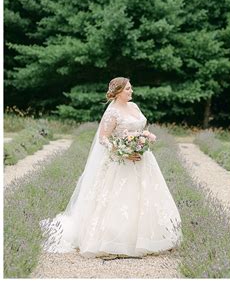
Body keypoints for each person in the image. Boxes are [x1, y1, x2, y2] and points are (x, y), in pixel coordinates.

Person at [41, 77, 181, 258]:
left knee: (146, 198)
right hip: (121, 161)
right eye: (128, 89)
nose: (131, 91)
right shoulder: (112, 113)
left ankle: (152, 238)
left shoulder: (135, 107)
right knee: (120, 200)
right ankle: (113, 241)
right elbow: (103, 138)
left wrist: (142, 141)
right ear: (118, 92)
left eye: (131, 88)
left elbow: (139, 129)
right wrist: (122, 151)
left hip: (142, 159)